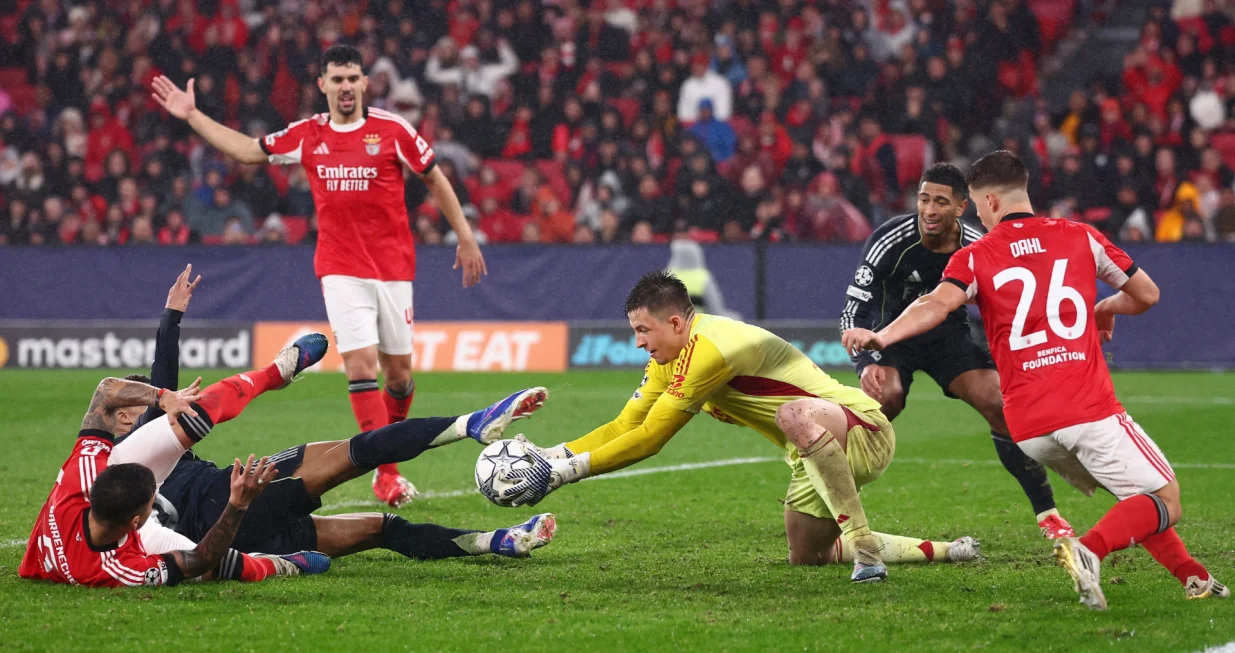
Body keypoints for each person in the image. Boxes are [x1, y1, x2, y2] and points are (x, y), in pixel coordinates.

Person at [843, 150, 1229, 608]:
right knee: (1166, 499)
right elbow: (1148, 294)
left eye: (976, 207)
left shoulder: (975, 254)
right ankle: (1089, 551)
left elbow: (935, 304)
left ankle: (1193, 576)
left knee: (1136, 500)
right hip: (1085, 410)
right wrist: (1105, 307)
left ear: (988, 201)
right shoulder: (1080, 236)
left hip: (1028, 428)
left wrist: (882, 336)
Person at [152, 44, 488, 508]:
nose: (346, 87)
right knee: (361, 367)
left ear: (364, 83)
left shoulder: (393, 130)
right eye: (337, 79)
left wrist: (465, 236)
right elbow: (249, 151)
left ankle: (387, 451)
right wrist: (192, 115)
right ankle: (386, 473)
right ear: (322, 85)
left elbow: (434, 177)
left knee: (399, 379)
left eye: (352, 78)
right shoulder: (308, 134)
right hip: (339, 268)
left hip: (393, 269)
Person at [498, 271, 979, 583]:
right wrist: (553, 454)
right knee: (808, 557)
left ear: (675, 322)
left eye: (644, 330)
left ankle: (867, 553)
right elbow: (627, 424)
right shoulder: (669, 358)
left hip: (861, 427)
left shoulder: (712, 347)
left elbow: (651, 440)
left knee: (792, 414)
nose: (638, 342)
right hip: (812, 454)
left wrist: (563, 475)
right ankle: (946, 551)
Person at [115, 266, 556, 563]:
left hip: (228, 531)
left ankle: (495, 541)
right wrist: (171, 318)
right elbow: (164, 378)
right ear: (124, 416)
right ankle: (471, 424)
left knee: (384, 529)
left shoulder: (114, 467)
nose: (157, 403)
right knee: (359, 452)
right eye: (142, 403)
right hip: (229, 499)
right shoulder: (131, 445)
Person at [839, 163, 1070, 539]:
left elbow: (1007, 307)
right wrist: (864, 362)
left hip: (947, 337)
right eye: (924, 199)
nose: (929, 210)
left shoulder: (978, 245)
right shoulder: (890, 240)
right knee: (886, 397)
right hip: (890, 339)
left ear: (962, 207)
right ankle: (833, 501)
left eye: (941, 202)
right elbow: (853, 309)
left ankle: (1048, 514)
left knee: (998, 403)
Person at [20, 332, 333, 587]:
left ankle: (276, 372)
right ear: (137, 522)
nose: (157, 493)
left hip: (113, 506)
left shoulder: (83, 473)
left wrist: (163, 397)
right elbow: (200, 560)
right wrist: (237, 506)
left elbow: (106, 391)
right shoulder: (122, 569)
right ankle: (281, 564)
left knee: (189, 412)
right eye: (152, 499)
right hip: (131, 530)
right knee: (215, 567)